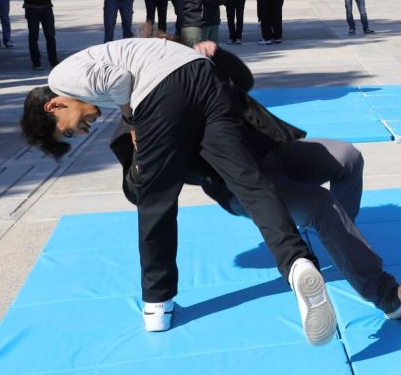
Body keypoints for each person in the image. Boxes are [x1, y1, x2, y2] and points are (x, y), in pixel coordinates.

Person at [19, 38, 338, 343]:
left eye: (67, 132)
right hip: (206, 77)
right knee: (249, 182)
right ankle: (297, 262)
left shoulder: (60, 77)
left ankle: (157, 303)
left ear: (53, 105)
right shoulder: (89, 74)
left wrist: (132, 120)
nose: (81, 133)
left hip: (164, 87)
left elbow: (119, 79)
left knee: (155, 199)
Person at [106, 46, 401, 323]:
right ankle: (385, 294)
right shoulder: (141, 117)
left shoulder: (197, 73)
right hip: (246, 187)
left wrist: (218, 54)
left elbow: (243, 81)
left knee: (348, 157)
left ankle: (342, 240)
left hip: (276, 152)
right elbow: (140, 192)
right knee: (320, 204)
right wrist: (141, 151)